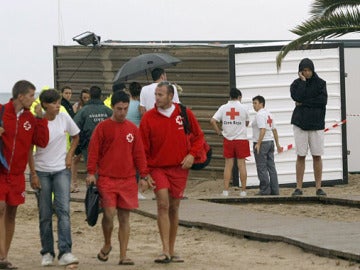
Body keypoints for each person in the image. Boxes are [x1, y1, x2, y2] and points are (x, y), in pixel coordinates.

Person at [139, 81, 204, 263]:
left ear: (170, 96)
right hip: (157, 168)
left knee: (174, 207)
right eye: (156, 94)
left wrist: (192, 155)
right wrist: (144, 174)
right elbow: (142, 148)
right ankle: (165, 250)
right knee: (162, 203)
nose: (157, 98)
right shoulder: (148, 118)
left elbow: (199, 137)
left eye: (160, 95)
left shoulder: (184, 113)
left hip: (179, 168)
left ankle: (172, 249)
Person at [86, 90, 152, 266]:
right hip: (107, 179)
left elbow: (139, 154)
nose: (122, 112)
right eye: (119, 109)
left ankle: (123, 255)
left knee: (124, 218)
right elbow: (93, 152)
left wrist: (144, 175)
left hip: (128, 179)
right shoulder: (102, 128)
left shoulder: (132, 129)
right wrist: (91, 172)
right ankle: (107, 243)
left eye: (125, 108)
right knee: (109, 214)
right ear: (112, 107)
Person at [0, 80, 50, 270]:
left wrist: (41, 119)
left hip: (18, 174)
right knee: (0, 208)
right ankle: (2, 256)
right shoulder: (2, 111)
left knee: (11, 213)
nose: (34, 99)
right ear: (20, 96)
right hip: (1, 170)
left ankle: (4, 255)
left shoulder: (30, 118)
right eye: (31, 95)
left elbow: (41, 142)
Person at [28, 89, 80, 267]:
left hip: (61, 170)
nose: (58, 106)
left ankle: (65, 251)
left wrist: (69, 156)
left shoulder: (64, 118)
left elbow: (76, 136)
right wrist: (33, 173)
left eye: (58, 102)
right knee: (45, 213)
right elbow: (29, 148)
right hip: (42, 171)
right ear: (44, 105)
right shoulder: (38, 122)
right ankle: (47, 251)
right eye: (54, 103)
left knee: (63, 211)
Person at [290, 58, 328, 196]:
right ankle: (299, 187)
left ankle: (318, 187)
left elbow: (322, 101)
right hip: (300, 124)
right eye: (304, 71)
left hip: (317, 124)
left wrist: (304, 103)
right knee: (301, 155)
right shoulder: (295, 84)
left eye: (308, 70)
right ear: (300, 72)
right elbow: (297, 97)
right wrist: (303, 83)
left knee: (317, 155)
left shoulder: (321, 83)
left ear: (312, 70)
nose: (306, 73)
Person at [210, 88, 250, 197]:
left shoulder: (223, 108)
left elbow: (213, 121)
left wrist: (219, 132)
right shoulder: (244, 108)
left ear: (230, 96)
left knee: (228, 165)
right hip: (241, 139)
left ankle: (226, 190)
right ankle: (243, 191)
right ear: (239, 97)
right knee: (242, 165)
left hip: (228, 139)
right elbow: (247, 122)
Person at [72, 86, 112, 193]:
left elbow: (74, 126)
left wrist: (79, 141)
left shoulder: (84, 111)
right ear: (101, 95)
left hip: (88, 145)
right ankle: (104, 192)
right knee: (105, 170)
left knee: (91, 171)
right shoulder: (108, 111)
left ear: (90, 96)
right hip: (106, 146)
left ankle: (92, 195)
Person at [252, 95, 282, 195]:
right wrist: (277, 144)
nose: (254, 105)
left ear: (261, 104)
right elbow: (274, 130)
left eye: (255, 103)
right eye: (253, 103)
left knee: (261, 167)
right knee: (271, 167)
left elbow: (263, 129)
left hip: (262, 142)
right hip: (270, 142)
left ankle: (265, 190)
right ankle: (275, 189)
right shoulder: (269, 114)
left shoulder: (259, 115)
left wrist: (258, 143)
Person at [126, 82, 146, 200]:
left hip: (125, 136)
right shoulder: (140, 106)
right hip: (137, 137)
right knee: (137, 164)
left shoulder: (126, 105)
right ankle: (135, 190)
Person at [71, 88, 90, 192]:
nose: (86, 99)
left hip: (87, 137)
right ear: (81, 98)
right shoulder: (76, 106)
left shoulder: (91, 107)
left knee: (89, 161)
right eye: (84, 97)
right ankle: (74, 183)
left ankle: (89, 183)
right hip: (79, 135)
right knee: (76, 160)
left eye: (88, 97)